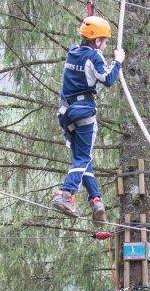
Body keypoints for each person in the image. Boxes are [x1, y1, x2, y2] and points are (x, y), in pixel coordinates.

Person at [51, 15, 125, 223]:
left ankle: (96, 200)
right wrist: (118, 61)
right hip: (84, 113)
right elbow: (107, 79)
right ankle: (65, 194)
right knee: (83, 159)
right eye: (104, 42)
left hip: (66, 113)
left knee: (83, 159)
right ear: (97, 41)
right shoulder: (94, 56)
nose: (105, 46)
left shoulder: (73, 52)